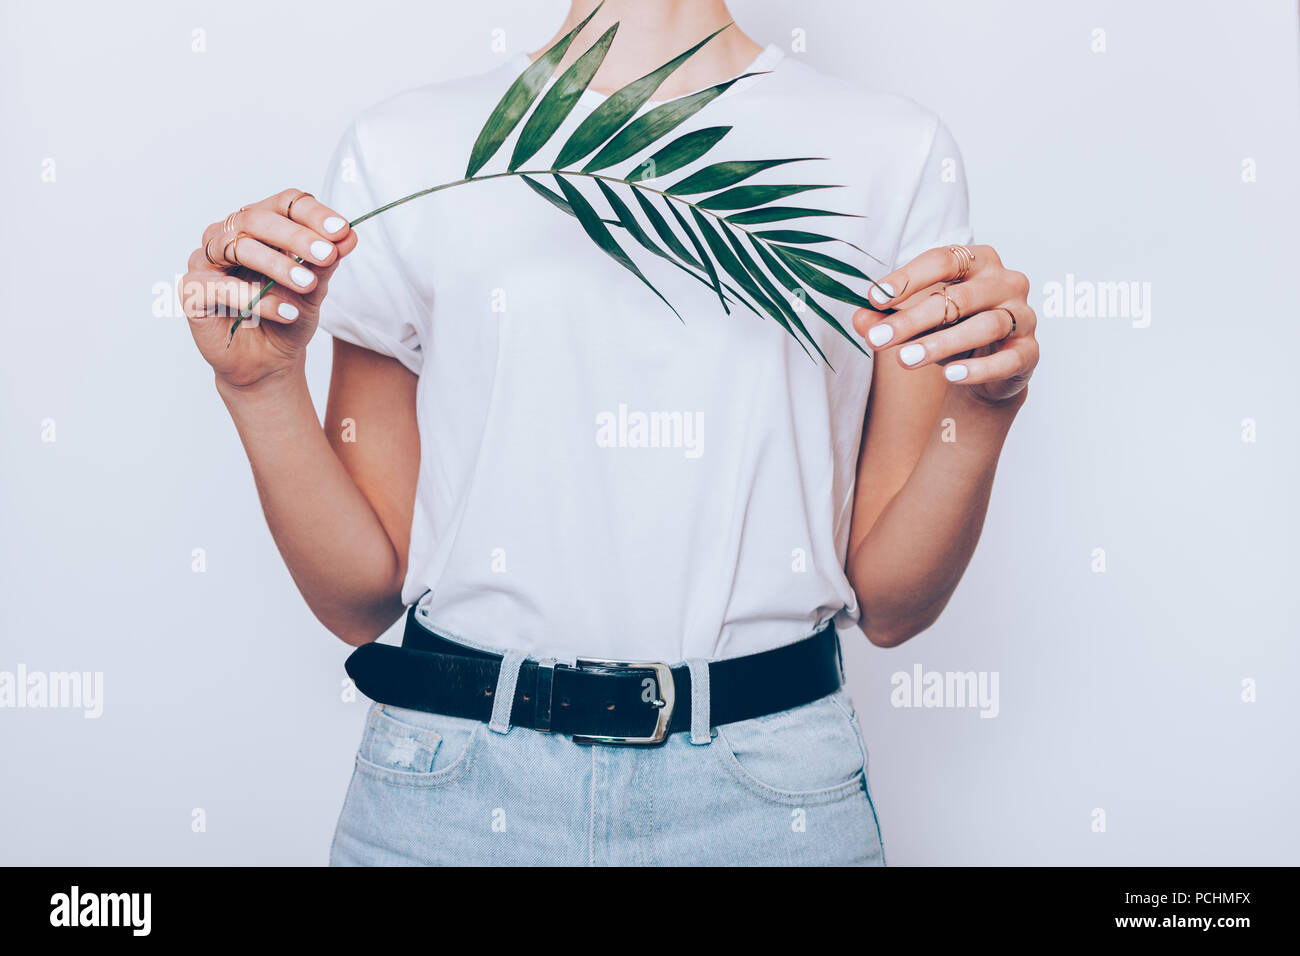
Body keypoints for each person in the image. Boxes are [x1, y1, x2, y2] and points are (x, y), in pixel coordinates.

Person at [181, 0, 1039, 866]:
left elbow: (893, 604)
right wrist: (262, 388)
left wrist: (983, 411)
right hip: (454, 794)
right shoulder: (409, 148)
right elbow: (358, 597)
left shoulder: (890, 152)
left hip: (768, 799)